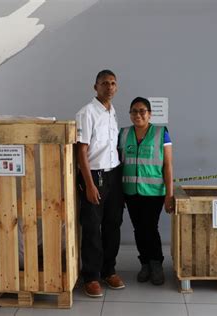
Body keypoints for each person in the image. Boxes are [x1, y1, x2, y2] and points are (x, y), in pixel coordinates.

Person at [75, 70, 125, 297]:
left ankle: (109, 270)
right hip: (94, 176)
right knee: (93, 227)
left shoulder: (112, 112)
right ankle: (92, 276)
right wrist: (89, 185)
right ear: (95, 87)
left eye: (113, 83)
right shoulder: (87, 113)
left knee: (113, 224)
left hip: (114, 174)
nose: (109, 87)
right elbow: (81, 151)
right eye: (104, 83)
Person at [118, 96, 174, 285]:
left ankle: (156, 264)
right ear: (130, 114)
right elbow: (118, 162)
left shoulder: (161, 132)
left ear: (150, 114)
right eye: (134, 111)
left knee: (150, 228)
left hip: (153, 192)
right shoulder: (123, 133)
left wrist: (169, 194)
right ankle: (145, 264)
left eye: (142, 111)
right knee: (138, 229)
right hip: (131, 192)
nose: (138, 114)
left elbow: (168, 165)